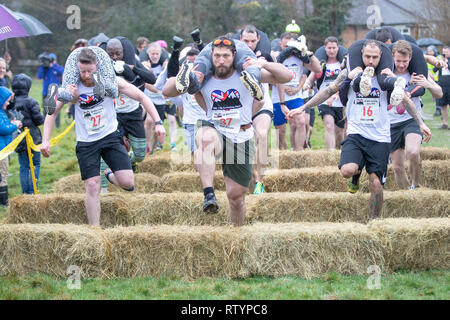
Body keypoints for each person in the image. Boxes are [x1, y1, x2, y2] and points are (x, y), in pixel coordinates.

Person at [288, 39, 431, 221]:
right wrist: (302, 107)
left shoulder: (386, 77)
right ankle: (355, 177)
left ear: (381, 57)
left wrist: (420, 123)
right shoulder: (349, 74)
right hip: (356, 133)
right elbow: (327, 91)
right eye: (367, 56)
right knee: (347, 170)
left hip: (379, 138)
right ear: (361, 55)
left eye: (375, 57)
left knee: (376, 184)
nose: (371, 61)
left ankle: (374, 220)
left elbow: (407, 100)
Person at [163, 36, 292, 226]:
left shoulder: (246, 72)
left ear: (234, 55)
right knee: (205, 138)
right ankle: (209, 194)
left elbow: (287, 76)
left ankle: (235, 236)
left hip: (241, 133)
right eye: (217, 56)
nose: (221, 60)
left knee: (236, 198)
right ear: (211, 56)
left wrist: (262, 63)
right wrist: (185, 75)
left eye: (225, 56)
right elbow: (167, 91)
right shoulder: (203, 76)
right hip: (215, 126)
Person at [40, 48, 166, 225]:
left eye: (89, 71)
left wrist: (158, 123)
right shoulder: (73, 88)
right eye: (82, 71)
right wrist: (45, 141)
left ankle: (108, 174)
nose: (85, 75)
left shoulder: (110, 83)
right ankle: (95, 230)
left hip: (109, 137)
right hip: (86, 142)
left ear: (96, 67)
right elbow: (51, 113)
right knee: (92, 185)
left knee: (128, 183)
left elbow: (142, 97)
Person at [272, 32, 321, 151]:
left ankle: (298, 152)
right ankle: (283, 154)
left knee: (300, 122)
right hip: (278, 97)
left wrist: (310, 54)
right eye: (285, 47)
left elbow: (317, 69)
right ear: (280, 44)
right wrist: (283, 100)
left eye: (290, 47)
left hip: (295, 96)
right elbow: (275, 78)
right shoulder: (276, 56)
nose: (288, 50)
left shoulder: (299, 57)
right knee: (281, 129)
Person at [43, 46, 119, 117]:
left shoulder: (98, 55)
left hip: (76, 57)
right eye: (84, 72)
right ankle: (100, 81)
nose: (86, 76)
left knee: (69, 93)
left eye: (89, 72)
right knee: (113, 91)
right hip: (80, 58)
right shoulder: (101, 54)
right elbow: (115, 93)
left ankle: (57, 92)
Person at [11, 74, 45, 194]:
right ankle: (32, 191)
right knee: (35, 164)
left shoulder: (11, 103)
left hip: (18, 139)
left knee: (24, 166)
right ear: (29, 89)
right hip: (33, 140)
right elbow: (39, 120)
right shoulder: (31, 102)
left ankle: (25, 192)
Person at [143, 42, 177, 152]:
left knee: (158, 124)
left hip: (161, 100)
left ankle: (153, 147)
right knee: (148, 121)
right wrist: (157, 88)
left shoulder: (164, 65)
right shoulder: (145, 65)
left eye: (157, 54)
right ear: (148, 54)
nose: (155, 56)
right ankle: (147, 145)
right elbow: (145, 83)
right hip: (149, 98)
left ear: (160, 54)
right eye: (152, 54)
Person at [314, 36, 347, 150]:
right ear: (325, 48)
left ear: (338, 48)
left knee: (340, 132)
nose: (331, 51)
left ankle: (340, 153)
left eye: (334, 48)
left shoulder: (343, 64)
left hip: (340, 101)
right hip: (325, 99)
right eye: (329, 48)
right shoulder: (322, 64)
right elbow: (314, 76)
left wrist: (337, 94)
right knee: (329, 125)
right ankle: (331, 154)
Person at [0, 86, 22, 206]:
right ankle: (4, 202)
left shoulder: (2, 112)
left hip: (3, 147)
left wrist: (11, 123)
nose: (8, 103)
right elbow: (2, 129)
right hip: (1, 150)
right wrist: (14, 126)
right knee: (3, 173)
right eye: (6, 100)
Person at [37, 53, 64, 128]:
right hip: (46, 91)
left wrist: (53, 66)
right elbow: (39, 76)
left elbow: (62, 72)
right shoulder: (45, 68)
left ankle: (57, 125)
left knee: (56, 108)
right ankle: (46, 124)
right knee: (45, 109)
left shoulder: (57, 67)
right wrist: (43, 66)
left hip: (55, 91)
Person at [435, 45, 450, 129]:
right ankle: (445, 123)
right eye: (443, 52)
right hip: (442, 86)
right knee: (443, 105)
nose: (445, 54)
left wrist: (447, 63)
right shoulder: (441, 61)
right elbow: (434, 69)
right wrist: (439, 63)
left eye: (447, 52)